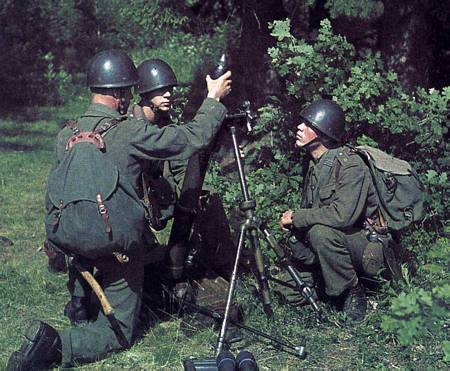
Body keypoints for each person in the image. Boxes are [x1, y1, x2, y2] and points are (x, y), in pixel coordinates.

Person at [7, 49, 232, 370]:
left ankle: (81, 301)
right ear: (120, 94)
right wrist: (213, 100)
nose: (129, 98)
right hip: (115, 248)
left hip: (71, 241)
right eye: (127, 91)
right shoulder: (128, 132)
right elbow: (190, 138)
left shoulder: (64, 135)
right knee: (119, 334)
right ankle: (55, 345)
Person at [279, 99, 381, 323]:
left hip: (364, 246)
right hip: (336, 247)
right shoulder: (315, 165)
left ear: (324, 133)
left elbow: (342, 215)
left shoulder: (351, 165)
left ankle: (353, 293)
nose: (299, 127)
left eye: (308, 125)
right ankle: (330, 286)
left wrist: (298, 217)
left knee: (320, 233)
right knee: (285, 288)